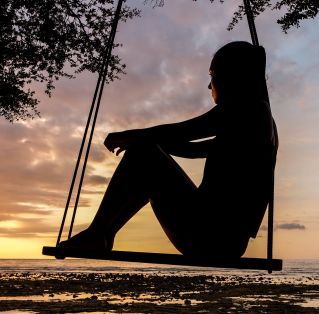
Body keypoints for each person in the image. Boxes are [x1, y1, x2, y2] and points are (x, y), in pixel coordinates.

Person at [59, 41, 278, 259]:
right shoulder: (255, 123)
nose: (209, 86)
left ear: (232, 75)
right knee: (145, 152)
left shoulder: (249, 109)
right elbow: (192, 149)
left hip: (210, 235)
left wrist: (135, 137)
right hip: (224, 240)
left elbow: (188, 130)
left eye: (212, 74)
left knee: (143, 152)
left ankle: (98, 234)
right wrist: (144, 142)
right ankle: (103, 235)